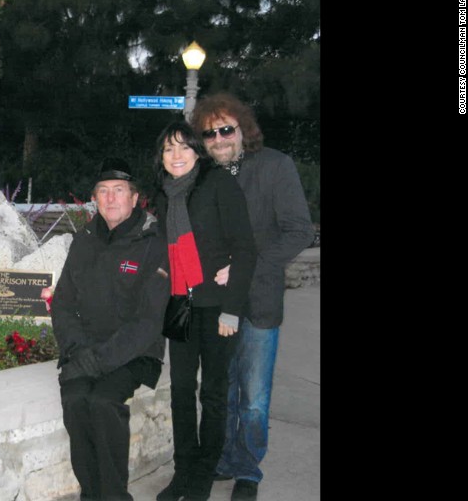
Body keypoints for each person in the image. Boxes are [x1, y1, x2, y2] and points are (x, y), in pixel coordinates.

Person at [191, 93, 314, 501]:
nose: (219, 139)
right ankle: (223, 459)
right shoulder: (202, 175)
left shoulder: (275, 166)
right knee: (219, 390)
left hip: (259, 302)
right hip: (214, 304)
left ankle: (248, 468)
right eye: (210, 133)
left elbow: (299, 231)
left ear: (244, 129)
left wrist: (249, 266)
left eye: (226, 129)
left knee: (255, 398)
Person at [51, 157, 171, 501]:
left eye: (119, 191)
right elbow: (63, 303)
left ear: (135, 199)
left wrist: (99, 361)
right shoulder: (84, 239)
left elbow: (149, 321)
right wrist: (77, 349)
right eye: (103, 191)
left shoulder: (153, 244)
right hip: (84, 349)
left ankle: (115, 496)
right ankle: (92, 494)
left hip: (133, 354)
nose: (110, 198)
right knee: (75, 401)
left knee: (103, 403)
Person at [152, 122, 257, 501]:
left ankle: (202, 476)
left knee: (213, 395)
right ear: (160, 157)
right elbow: (166, 248)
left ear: (198, 151)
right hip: (181, 305)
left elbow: (245, 249)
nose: (175, 156)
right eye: (168, 149)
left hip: (217, 308)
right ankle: (183, 472)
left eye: (183, 147)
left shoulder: (217, 185)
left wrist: (231, 311)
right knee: (181, 391)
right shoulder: (163, 195)